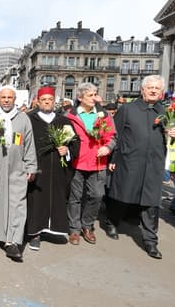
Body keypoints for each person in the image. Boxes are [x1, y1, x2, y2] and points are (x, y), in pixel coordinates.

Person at [106, 75, 175, 259]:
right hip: (129, 161)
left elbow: (170, 138)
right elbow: (116, 136)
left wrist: (172, 133)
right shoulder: (128, 109)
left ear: (161, 93)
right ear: (142, 89)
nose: (153, 90)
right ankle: (112, 221)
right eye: (150, 87)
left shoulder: (165, 111)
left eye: (157, 88)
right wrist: (113, 158)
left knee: (151, 203)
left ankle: (151, 241)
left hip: (154, 163)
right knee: (122, 196)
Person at [0, 86, 37, 261]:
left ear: (15, 100)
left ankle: (12, 242)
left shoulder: (23, 119)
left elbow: (28, 144)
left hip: (17, 168)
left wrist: (31, 167)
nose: (6, 100)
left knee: (17, 203)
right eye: (3, 97)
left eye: (10, 97)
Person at [26, 87, 79, 250]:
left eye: (50, 99)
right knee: (35, 199)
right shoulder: (29, 119)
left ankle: (53, 228)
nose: (47, 102)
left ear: (54, 101)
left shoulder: (63, 121)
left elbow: (75, 142)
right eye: (44, 99)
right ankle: (34, 233)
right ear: (38, 101)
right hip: (37, 167)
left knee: (56, 197)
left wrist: (67, 150)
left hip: (57, 168)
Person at [64, 83, 115, 246]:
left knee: (97, 195)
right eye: (90, 95)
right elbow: (64, 137)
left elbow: (112, 136)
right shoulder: (69, 116)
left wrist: (107, 147)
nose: (95, 98)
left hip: (98, 162)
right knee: (75, 197)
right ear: (80, 98)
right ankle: (74, 228)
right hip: (77, 162)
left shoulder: (103, 114)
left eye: (95, 94)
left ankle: (87, 225)